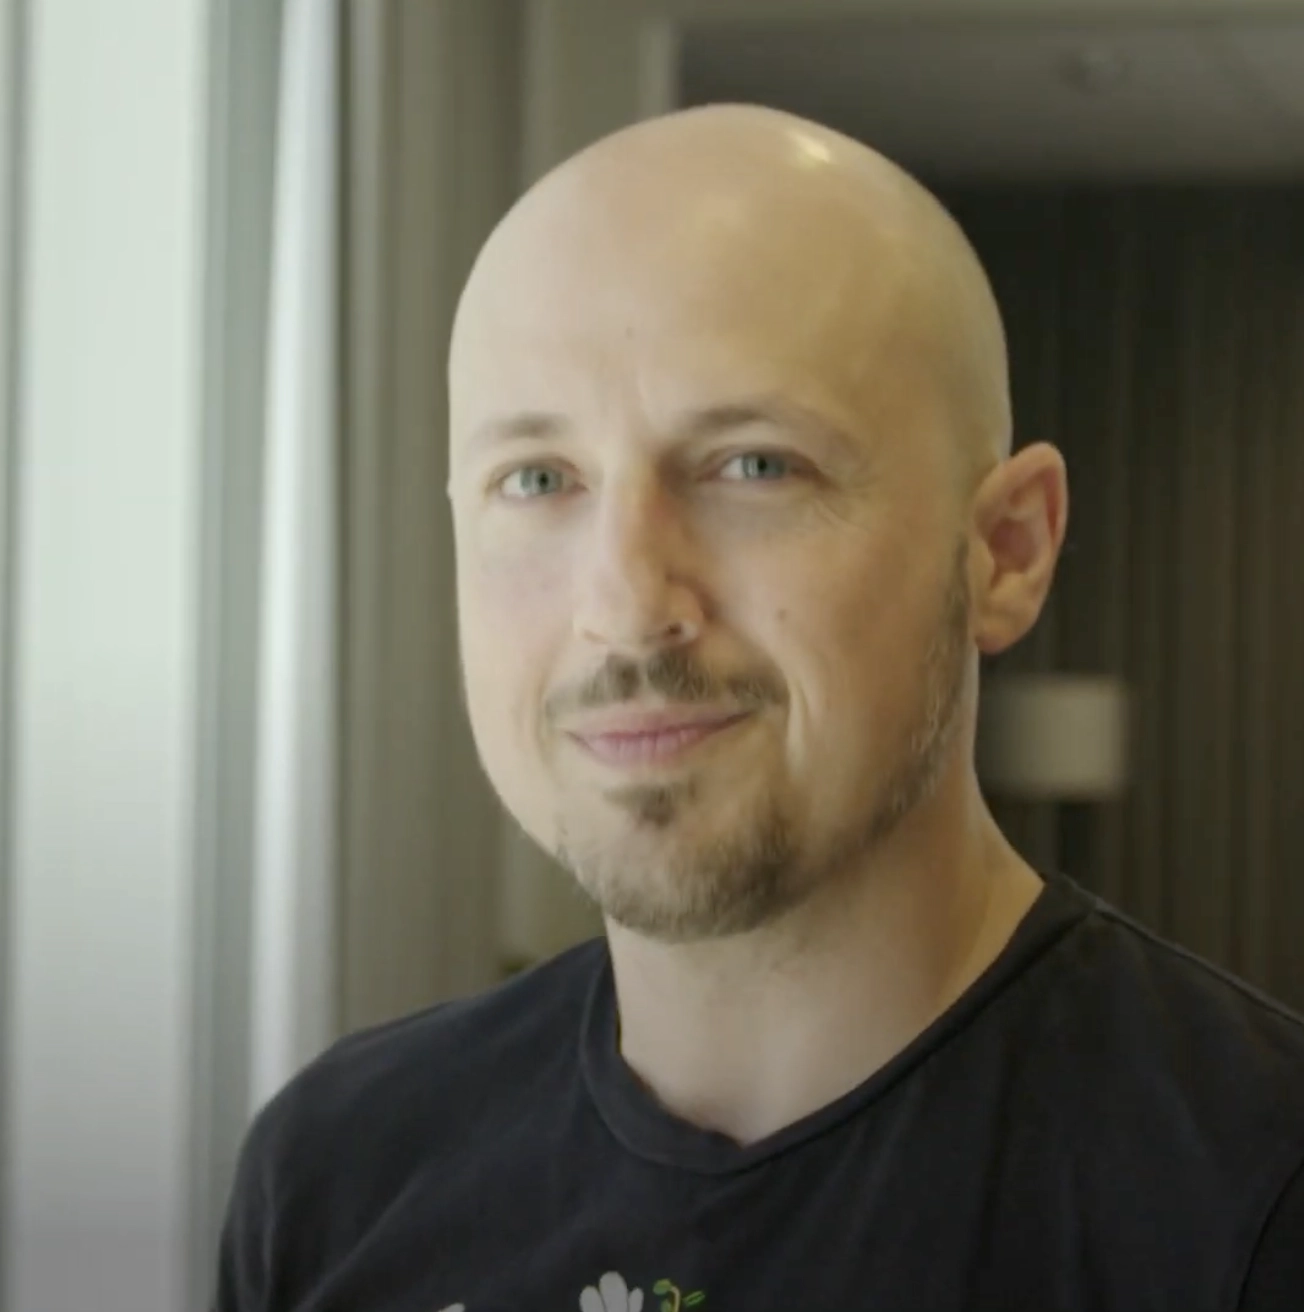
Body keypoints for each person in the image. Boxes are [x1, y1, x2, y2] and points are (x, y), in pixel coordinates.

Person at [215, 104, 1304, 1311]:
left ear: (1005, 550)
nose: (628, 605)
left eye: (754, 465)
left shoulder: (1250, 1195)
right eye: (538, 480)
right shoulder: (337, 1175)